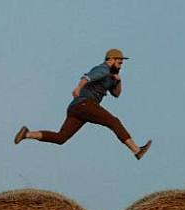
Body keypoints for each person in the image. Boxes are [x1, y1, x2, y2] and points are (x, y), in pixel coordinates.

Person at [14, 48, 152, 160]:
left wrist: (119, 81)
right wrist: (78, 88)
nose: (121, 66)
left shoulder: (110, 76)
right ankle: (136, 150)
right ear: (111, 60)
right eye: (120, 62)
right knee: (114, 122)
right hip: (85, 104)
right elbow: (87, 77)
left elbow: (116, 94)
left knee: (61, 138)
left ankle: (27, 134)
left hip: (76, 108)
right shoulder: (103, 69)